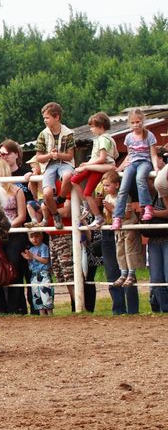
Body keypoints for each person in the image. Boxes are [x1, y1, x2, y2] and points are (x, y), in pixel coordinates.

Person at [0, 158, 28, 314]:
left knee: (13, 270)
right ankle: (2, 309)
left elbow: (22, 216)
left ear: (3, 172)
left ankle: (13, 308)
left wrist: (8, 227)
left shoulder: (17, 191)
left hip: (14, 234)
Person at [111, 108, 158, 230]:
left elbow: (153, 154)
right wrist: (119, 168)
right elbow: (129, 155)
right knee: (123, 187)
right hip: (132, 163)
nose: (136, 125)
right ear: (129, 123)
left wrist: (156, 167)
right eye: (133, 122)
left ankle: (147, 206)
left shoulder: (149, 136)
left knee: (140, 178)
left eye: (138, 122)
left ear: (143, 121)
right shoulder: (128, 137)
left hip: (145, 162)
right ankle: (117, 217)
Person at [99, 171, 138, 312]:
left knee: (129, 255)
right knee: (118, 261)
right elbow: (108, 216)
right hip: (115, 231)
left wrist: (112, 208)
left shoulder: (124, 196)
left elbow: (126, 214)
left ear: (117, 185)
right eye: (104, 186)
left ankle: (133, 309)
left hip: (127, 229)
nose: (105, 188)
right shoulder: (108, 196)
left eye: (107, 185)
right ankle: (118, 308)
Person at [69, 112, 116, 228]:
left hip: (100, 167)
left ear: (101, 126)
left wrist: (87, 166)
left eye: (92, 127)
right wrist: (87, 164)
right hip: (95, 165)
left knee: (87, 192)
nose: (91, 129)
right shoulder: (99, 139)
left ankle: (98, 217)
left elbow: (102, 158)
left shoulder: (104, 139)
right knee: (74, 179)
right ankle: (86, 204)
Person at [34, 102, 75, 229]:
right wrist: (50, 156)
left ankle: (61, 198)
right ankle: (55, 214)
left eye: (47, 118)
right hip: (49, 166)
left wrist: (58, 155)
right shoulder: (43, 134)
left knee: (68, 176)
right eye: (44, 118)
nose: (45, 121)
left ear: (56, 117)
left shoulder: (68, 133)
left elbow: (70, 156)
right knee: (46, 193)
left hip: (64, 163)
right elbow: (39, 157)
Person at [22, 231, 54, 315]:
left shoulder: (44, 247)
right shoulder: (31, 249)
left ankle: (50, 313)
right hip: (34, 274)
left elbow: (45, 260)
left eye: (36, 236)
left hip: (44, 274)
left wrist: (33, 256)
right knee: (36, 295)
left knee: (46, 294)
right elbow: (32, 262)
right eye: (31, 237)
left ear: (41, 236)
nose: (34, 239)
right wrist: (28, 258)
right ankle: (42, 315)